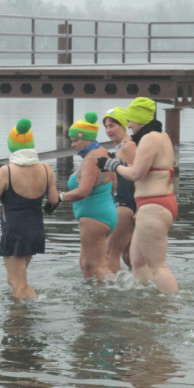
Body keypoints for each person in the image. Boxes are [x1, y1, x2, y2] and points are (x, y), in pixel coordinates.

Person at [98, 97, 179, 294]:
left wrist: (114, 165)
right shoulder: (162, 136)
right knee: (136, 261)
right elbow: (143, 169)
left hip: (154, 204)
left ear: (139, 118)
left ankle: (173, 307)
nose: (130, 125)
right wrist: (121, 166)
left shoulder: (150, 138)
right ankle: (147, 299)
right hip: (157, 203)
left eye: (131, 120)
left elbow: (136, 174)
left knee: (159, 265)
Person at [0, 118, 60, 299]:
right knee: (17, 280)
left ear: (12, 146)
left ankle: (20, 322)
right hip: (35, 229)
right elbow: (54, 199)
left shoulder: (7, 171)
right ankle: (28, 314)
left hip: (14, 231)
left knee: (18, 283)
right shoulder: (46, 169)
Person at [59, 112, 116, 280]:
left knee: (99, 266)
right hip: (105, 212)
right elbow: (114, 185)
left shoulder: (92, 159)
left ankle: (118, 299)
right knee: (86, 263)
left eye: (76, 140)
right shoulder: (104, 152)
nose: (73, 144)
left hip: (93, 217)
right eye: (72, 140)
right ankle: (94, 302)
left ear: (88, 139)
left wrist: (60, 197)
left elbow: (83, 191)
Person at [101, 106, 136, 273]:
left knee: (109, 252)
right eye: (106, 127)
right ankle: (144, 289)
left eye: (112, 125)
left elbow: (140, 174)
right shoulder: (118, 148)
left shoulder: (128, 146)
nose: (108, 131)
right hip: (121, 203)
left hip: (126, 204)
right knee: (129, 256)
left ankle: (109, 292)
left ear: (123, 125)